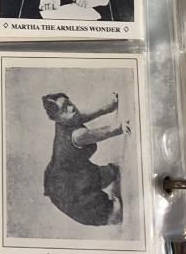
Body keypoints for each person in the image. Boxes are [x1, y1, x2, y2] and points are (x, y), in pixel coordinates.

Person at [41, 91, 130, 226]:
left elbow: (83, 117)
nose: (71, 108)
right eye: (64, 109)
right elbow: (99, 134)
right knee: (110, 212)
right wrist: (120, 127)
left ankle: (98, 181)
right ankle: (109, 214)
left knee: (111, 172)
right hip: (65, 186)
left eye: (69, 103)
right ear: (57, 118)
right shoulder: (77, 136)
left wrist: (108, 107)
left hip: (71, 172)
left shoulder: (67, 120)